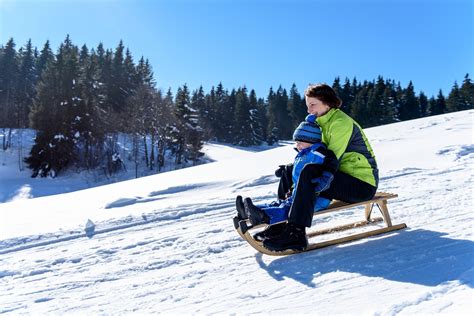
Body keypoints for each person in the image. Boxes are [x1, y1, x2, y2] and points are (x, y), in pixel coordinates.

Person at [262, 83, 379, 252]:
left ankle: (296, 234)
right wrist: (291, 168)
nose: (309, 110)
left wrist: (302, 176)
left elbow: (329, 160)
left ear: (327, 102)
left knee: (309, 172)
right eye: (308, 105)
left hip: (361, 185)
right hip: (340, 178)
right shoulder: (321, 124)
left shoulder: (340, 123)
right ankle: (279, 225)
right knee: (289, 171)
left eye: (313, 105)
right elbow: (313, 154)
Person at [236, 114, 338, 245]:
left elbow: (325, 170)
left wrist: (321, 184)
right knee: (280, 204)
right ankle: (249, 210)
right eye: (296, 142)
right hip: (300, 195)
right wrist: (287, 169)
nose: (297, 145)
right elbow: (299, 175)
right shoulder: (304, 155)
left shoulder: (319, 154)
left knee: (286, 210)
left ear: (311, 140)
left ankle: (263, 216)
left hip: (316, 198)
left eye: (300, 141)